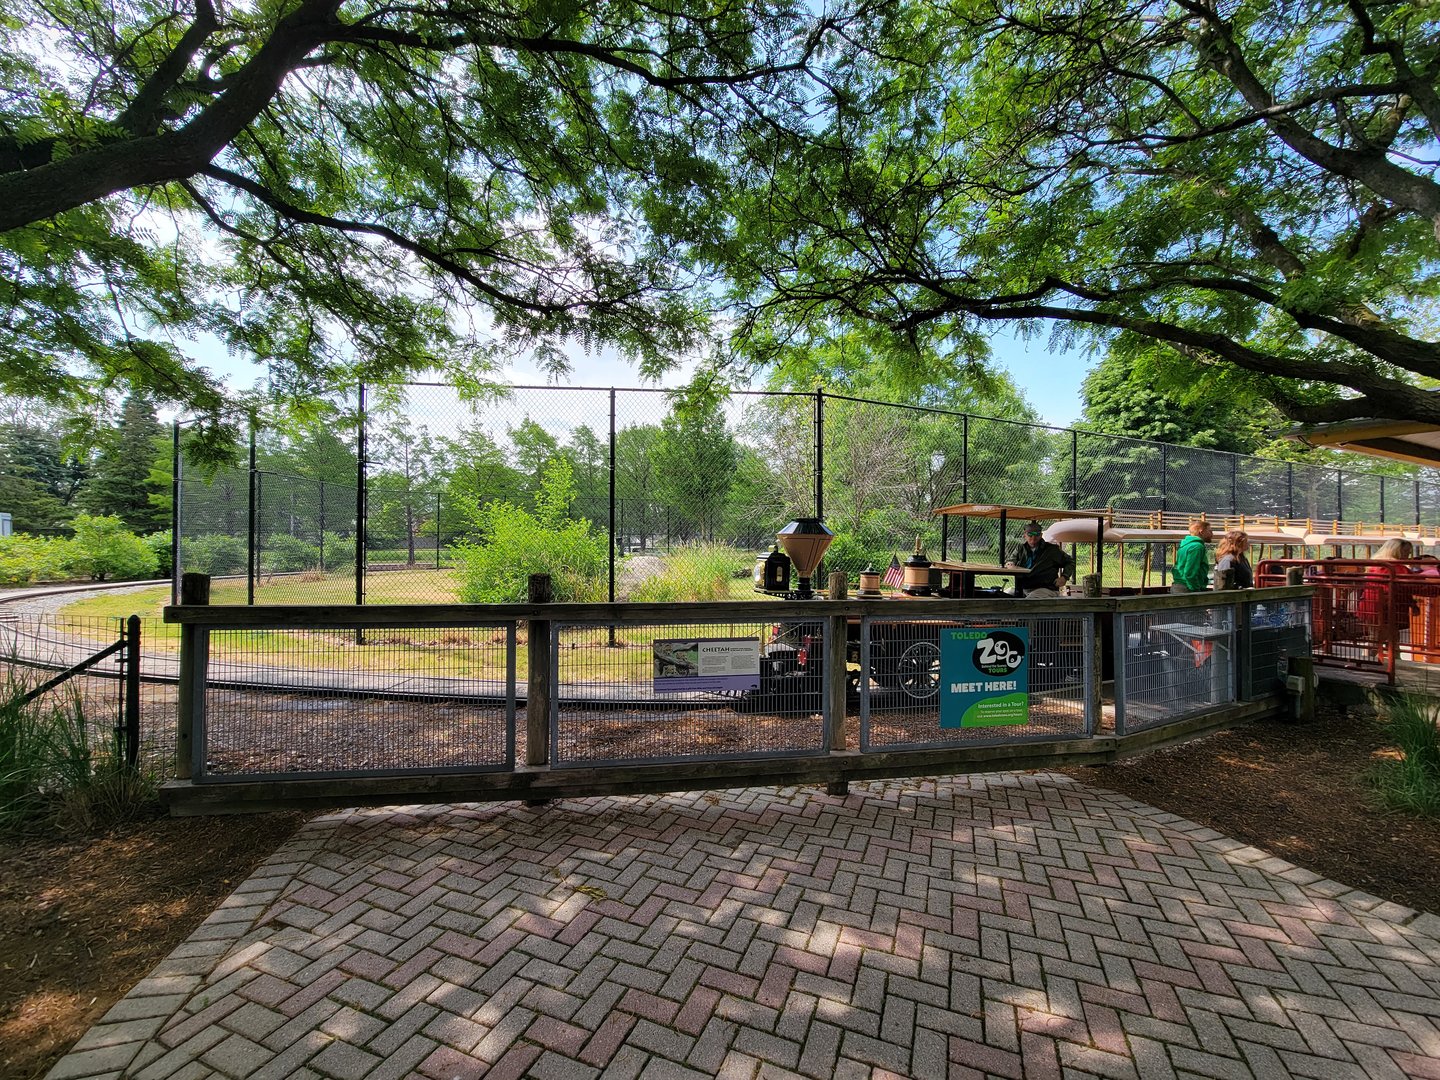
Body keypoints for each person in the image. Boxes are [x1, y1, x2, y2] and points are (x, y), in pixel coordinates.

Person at [1005, 521, 1075, 597]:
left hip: (1046, 588)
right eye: (1030, 534)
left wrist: (1064, 577)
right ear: (1024, 535)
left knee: (1030, 599)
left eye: (1037, 534)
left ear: (1041, 535)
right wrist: (1010, 564)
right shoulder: (1020, 548)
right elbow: (1011, 561)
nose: (1033, 537)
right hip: (1024, 588)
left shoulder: (1052, 550)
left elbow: (1070, 562)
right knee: (1004, 595)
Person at [1171, 520, 1214, 593]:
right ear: (1201, 531)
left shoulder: (1186, 545)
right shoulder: (1197, 547)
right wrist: (1196, 589)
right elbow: (1190, 571)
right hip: (1187, 588)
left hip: (1180, 585)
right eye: (1210, 531)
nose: (1212, 534)